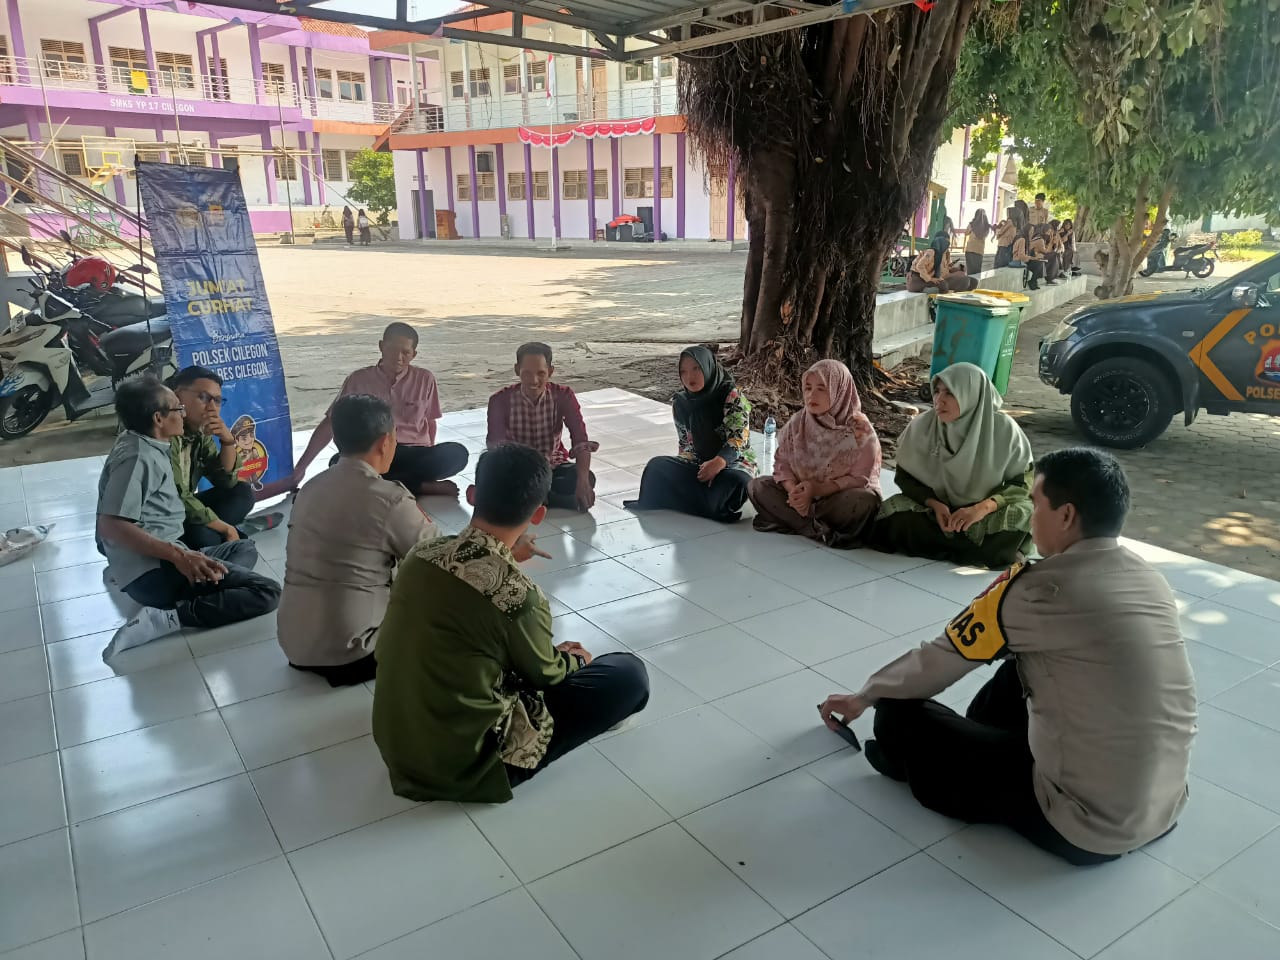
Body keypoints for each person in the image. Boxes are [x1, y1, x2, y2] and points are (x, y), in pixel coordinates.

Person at [819, 448, 1196, 866]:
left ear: (1066, 515)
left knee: (895, 712)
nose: (1031, 517)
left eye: (1036, 504)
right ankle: (988, 748)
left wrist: (865, 696)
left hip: (1083, 827)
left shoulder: (1036, 589)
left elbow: (941, 658)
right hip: (1163, 806)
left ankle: (928, 764)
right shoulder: (1151, 580)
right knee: (1026, 663)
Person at [373, 443, 650, 803]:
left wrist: (505, 557)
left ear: (472, 495)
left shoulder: (422, 554)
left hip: (399, 744)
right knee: (628, 673)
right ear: (538, 514)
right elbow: (546, 676)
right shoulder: (518, 596)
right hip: (468, 764)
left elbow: (469, 579)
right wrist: (574, 660)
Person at [96, 377, 281, 658]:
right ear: (159, 418)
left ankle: (201, 582)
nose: (183, 413)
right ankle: (169, 618)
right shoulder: (138, 457)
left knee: (244, 547)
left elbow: (226, 479)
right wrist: (181, 557)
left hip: (167, 552)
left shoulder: (149, 441)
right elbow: (110, 525)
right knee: (267, 592)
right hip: (155, 569)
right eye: (177, 408)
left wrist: (226, 439)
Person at [870, 362, 1033, 568]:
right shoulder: (923, 426)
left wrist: (981, 509)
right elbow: (904, 477)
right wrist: (934, 504)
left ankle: (954, 544)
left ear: (971, 395)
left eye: (950, 393)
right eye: (937, 391)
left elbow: (1022, 484)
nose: (939, 400)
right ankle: (978, 549)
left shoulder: (1004, 430)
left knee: (1023, 517)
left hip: (984, 512)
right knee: (892, 517)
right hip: (938, 511)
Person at [287, 322, 468, 498]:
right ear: (381, 346)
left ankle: (385, 483)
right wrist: (301, 467)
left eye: (405, 352)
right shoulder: (358, 380)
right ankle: (419, 486)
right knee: (337, 462)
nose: (398, 357)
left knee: (457, 454)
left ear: (414, 354)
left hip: (414, 452)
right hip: (375, 453)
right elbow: (330, 423)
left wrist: (431, 458)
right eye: (393, 349)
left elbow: (430, 421)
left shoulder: (425, 378)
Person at [748, 359, 881, 547]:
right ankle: (817, 530)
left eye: (821, 388)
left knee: (864, 501)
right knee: (757, 487)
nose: (812, 395)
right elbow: (782, 463)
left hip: (836, 499)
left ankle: (798, 522)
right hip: (801, 496)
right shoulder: (798, 422)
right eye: (808, 388)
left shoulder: (860, 430)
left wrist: (816, 490)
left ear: (839, 390)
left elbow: (860, 479)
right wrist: (793, 492)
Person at [624, 346, 755, 523]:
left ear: (708, 367)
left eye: (696, 369)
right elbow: (686, 445)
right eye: (683, 372)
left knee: (736, 482)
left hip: (731, 463)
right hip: (698, 463)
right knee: (656, 468)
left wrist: (717, 463)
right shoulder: (681, 402)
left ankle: (686, 501)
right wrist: (694, 469)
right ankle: (711, 505)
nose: (689, 377)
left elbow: (738, 440)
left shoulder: (731, 396)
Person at [486, 342, 597, 512]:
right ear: (517, 370)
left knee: (586, 477)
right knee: (499, 475)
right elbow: (496, 449)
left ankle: (534, 500)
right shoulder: (500, 400)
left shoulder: (563, 396)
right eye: (527, 373)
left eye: (541, 373)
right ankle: (549, 499)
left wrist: (583, 483)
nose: (534, 381)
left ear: (550, 372)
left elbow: (580, 441)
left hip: (554, 466)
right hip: (519, 470)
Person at [168, 366, 254, 549]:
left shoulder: (198, 432)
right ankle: (226, 536)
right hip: (158, 517)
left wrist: (227, 441)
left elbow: (226, 481)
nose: (212, 408)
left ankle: (217, 538)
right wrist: (225, 528)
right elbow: (176, 497)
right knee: (203, 536)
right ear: (177, 396)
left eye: (217, 401)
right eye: (204, 398)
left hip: (182, 508)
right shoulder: (165, 432)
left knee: (242, 492)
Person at [906, 233, 978, 293]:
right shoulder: (931, 252)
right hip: (920, 279)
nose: (947, 247)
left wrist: (957, 269)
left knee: (973, 281)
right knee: (947, 284)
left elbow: (946, 268)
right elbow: (920, 266)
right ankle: (928, 290)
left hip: (938, 278)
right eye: (946, 243)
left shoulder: (942, 254)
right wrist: (930, 279)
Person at [964, 210, 991, 277]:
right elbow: (986, 235)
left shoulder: (972, 224)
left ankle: (970, 283)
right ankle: (976, 283)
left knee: (970, 271)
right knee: (977, 271)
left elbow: (966, 233)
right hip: (979, 251)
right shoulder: (987, 226)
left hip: (970, 250)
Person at [1044, 219, 1063, 285]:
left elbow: (1059, 244)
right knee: (1055, 256)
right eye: (1058, 226)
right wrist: (1052, 240)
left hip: (1050, 251)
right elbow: (1047, 248)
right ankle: (1050, 278)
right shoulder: (1049, 232)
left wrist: (1057, 248)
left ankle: (1054, 276)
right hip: (1044, 253)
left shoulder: (1055, 232)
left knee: (1057, 255)